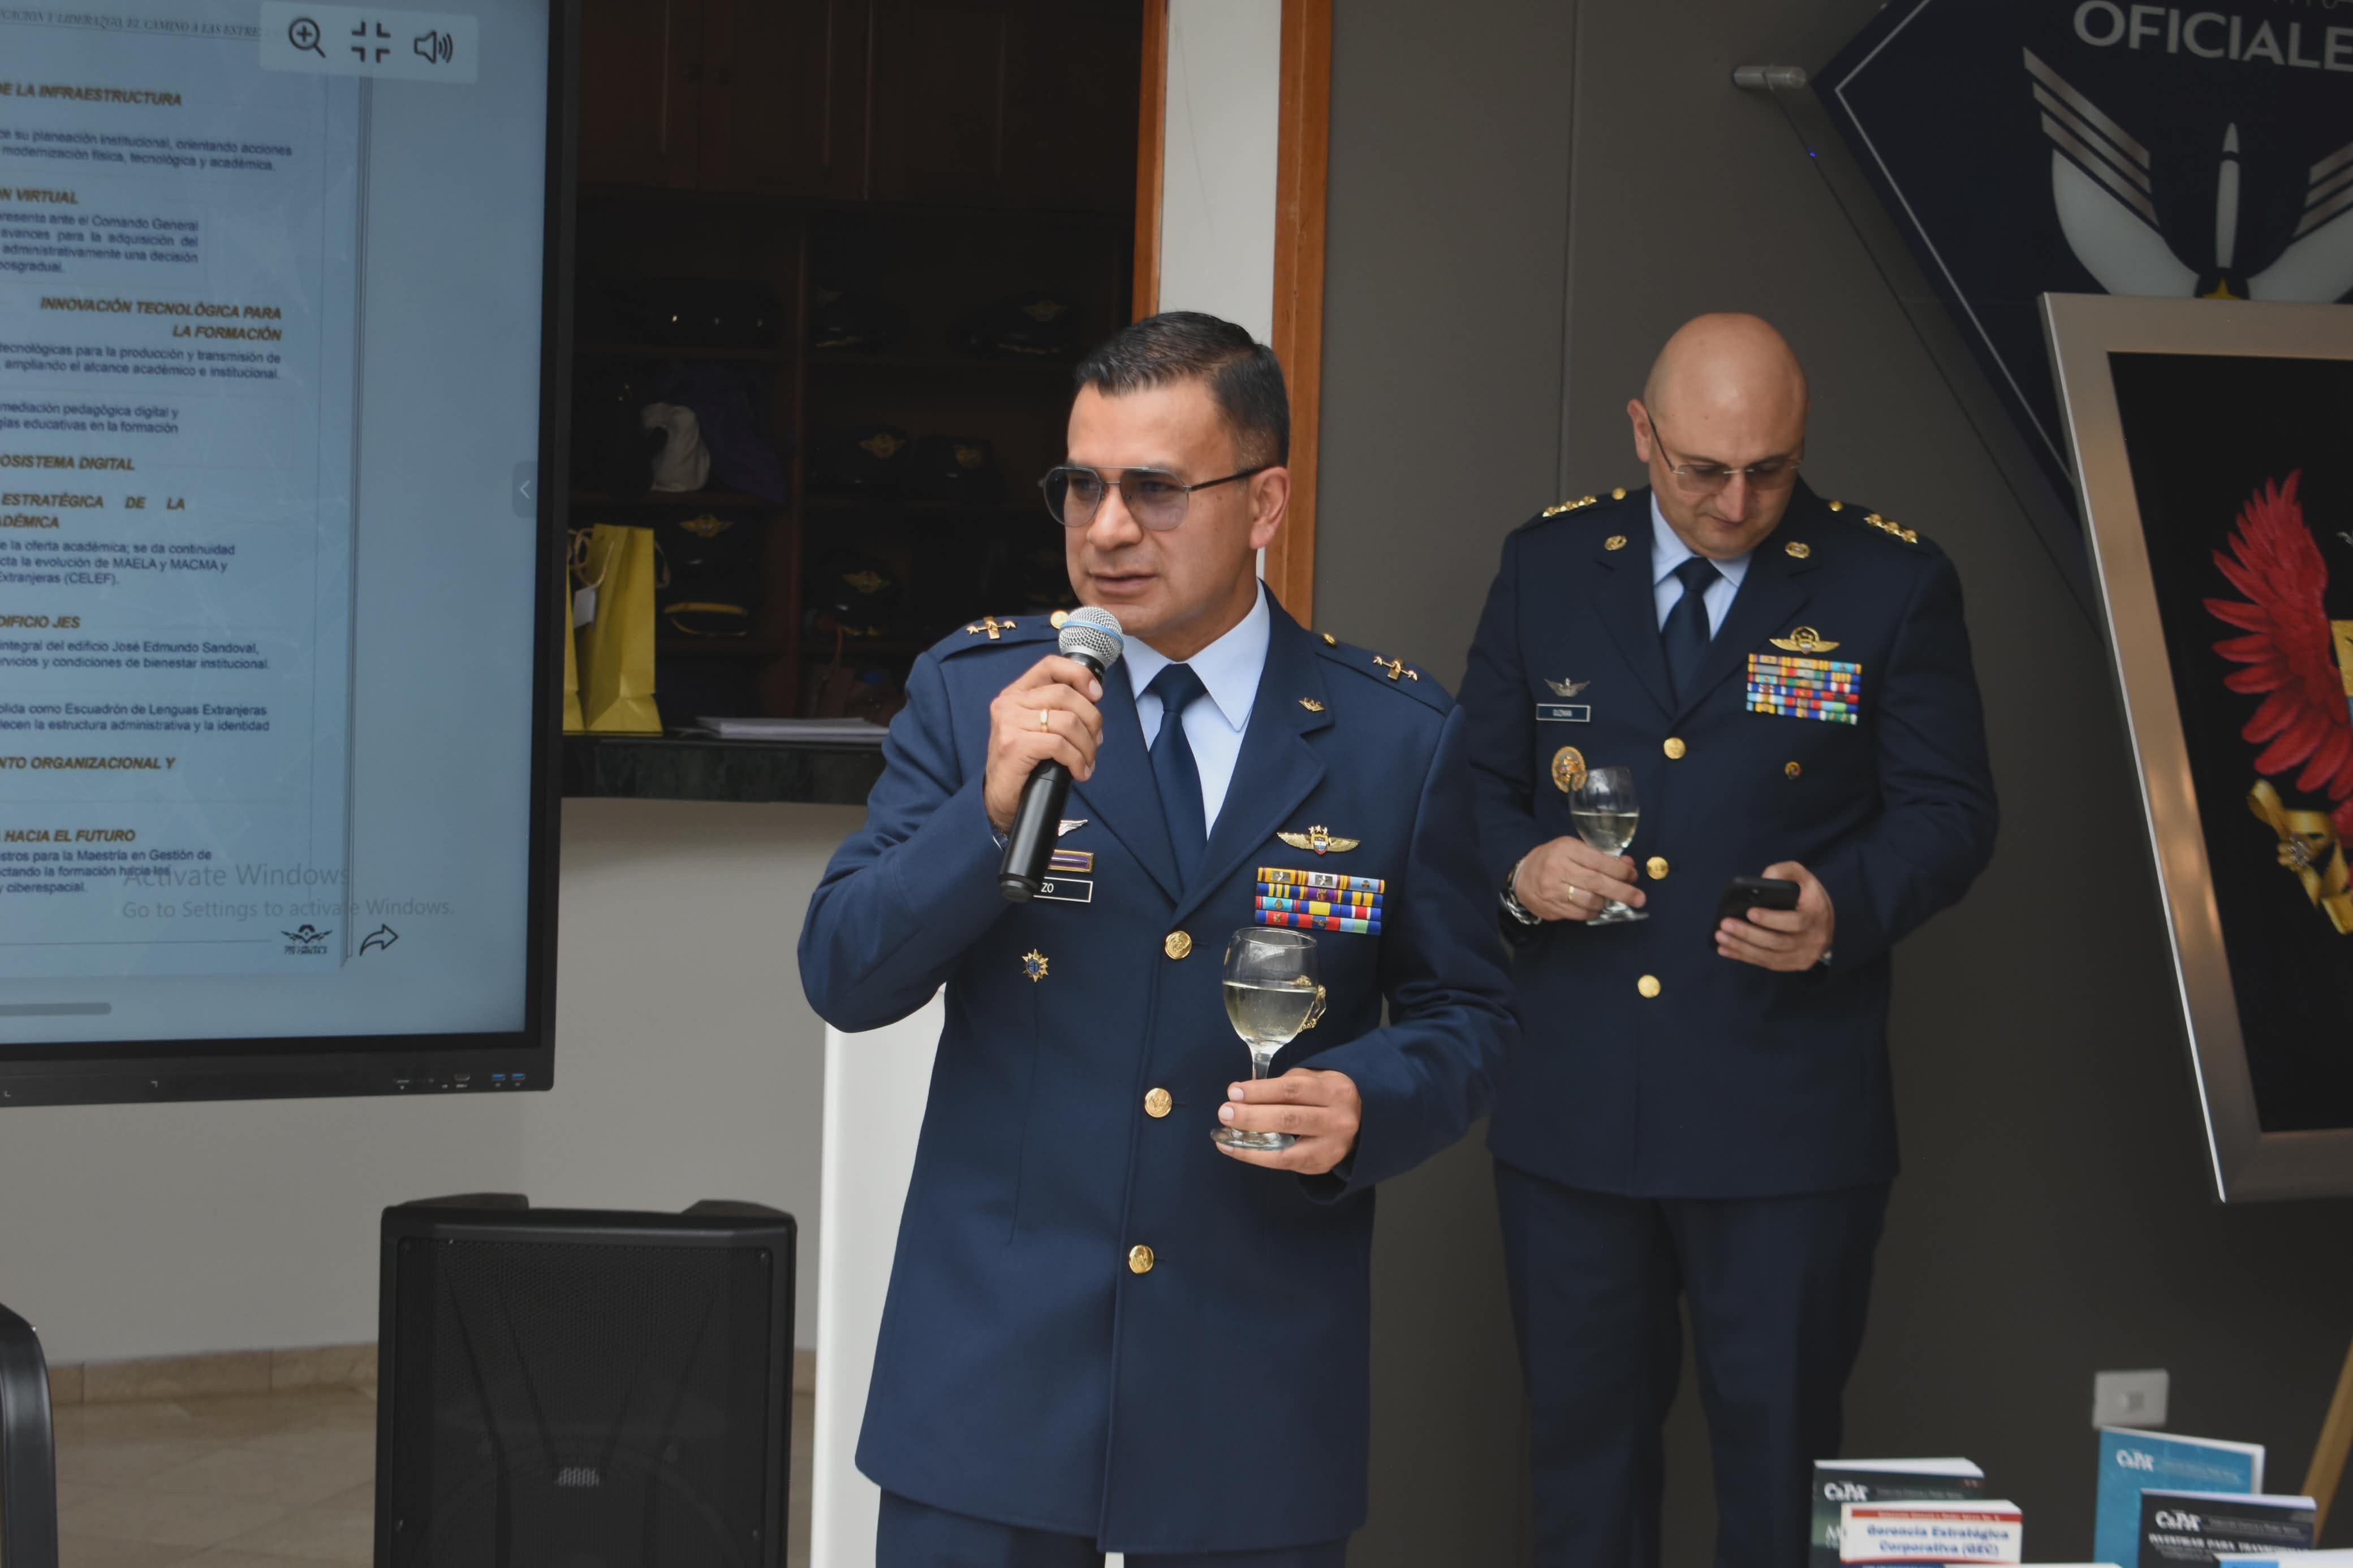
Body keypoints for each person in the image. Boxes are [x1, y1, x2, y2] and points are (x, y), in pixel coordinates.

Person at [800, 310, 1515, 1567]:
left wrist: (1366, 1095)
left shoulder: (1392, 736)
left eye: (1153, 489)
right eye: (1080, 485)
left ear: (1264, 502)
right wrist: (989, 811)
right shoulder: (977, 697)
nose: (1107, 528)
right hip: (991, 1389)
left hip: (1249, 1386)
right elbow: (846, 972)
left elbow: (1470, 1015)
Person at [1458, 313, 1999, 1566]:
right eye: (1703, 469)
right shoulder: (1548, 565)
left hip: (1784, 1118)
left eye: (1771, 468)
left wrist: (1841, 910)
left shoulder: (1889, 578)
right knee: (1581, 1478)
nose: (1738, 500)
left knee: (1779, 1475)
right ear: (1642, 435)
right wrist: (1519, 866)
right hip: (1577, 1110)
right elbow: (1473, 791)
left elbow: (1952, 813)